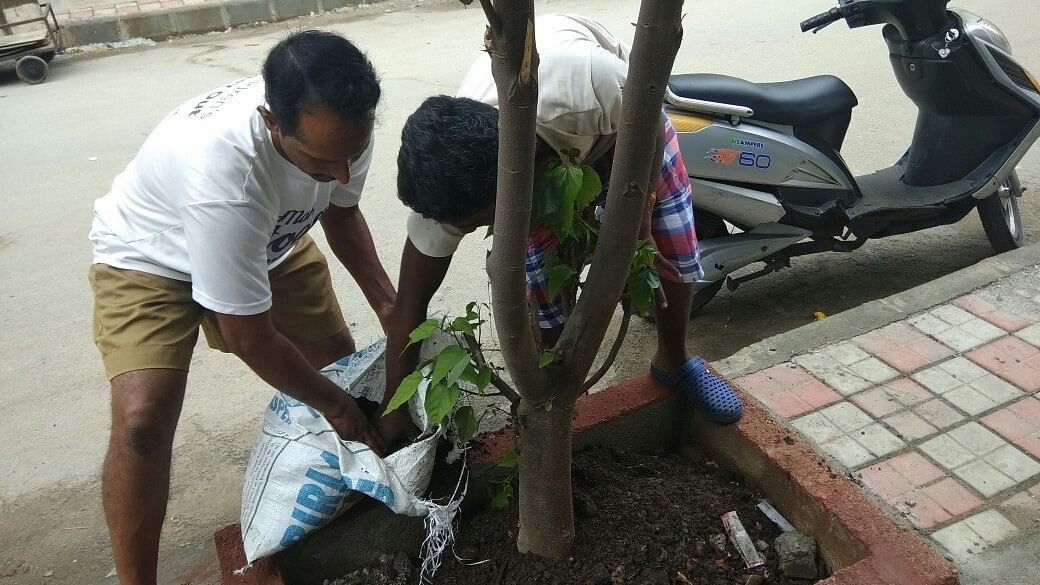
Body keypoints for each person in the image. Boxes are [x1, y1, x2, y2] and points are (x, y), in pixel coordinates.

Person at [87, 31, 394, 584]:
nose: (343, 173)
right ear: (272, 122)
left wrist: (391, 309)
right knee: (143, 422)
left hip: (271, 237)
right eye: (324, 160)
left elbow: (342, 212)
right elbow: (248, 335)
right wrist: (339, 410)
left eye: (352, 153)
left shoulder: (340, 125)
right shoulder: (223, 173)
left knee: (340, 369)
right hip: (153, 255)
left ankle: (338, 513)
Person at [377, 13, 743, 449]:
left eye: (483, 220)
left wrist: (637, 227)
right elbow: (409, 307)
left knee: (673, 249)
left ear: (512, 179)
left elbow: (647, 123)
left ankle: (674, 360)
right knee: (546, 294)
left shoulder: (588, 84)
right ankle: (560, 395)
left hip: (625, 132)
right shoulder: (443, 199)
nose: (482, 231)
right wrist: (392, 410)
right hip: (547, 165)